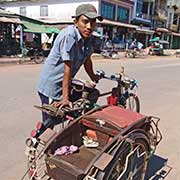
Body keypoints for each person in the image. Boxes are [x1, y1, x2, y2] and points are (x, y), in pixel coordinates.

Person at [37, 4, 103, 122]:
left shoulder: (88, 37)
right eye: (85, 21)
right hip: (51, 87)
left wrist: (93, 76)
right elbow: (67, 69)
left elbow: (87, 59)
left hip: (65, 83)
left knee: (91, 94)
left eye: (93, 23)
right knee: (50, 123)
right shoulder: (69, 36)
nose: (89, 26)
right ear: (76, 22)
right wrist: (65, 98)